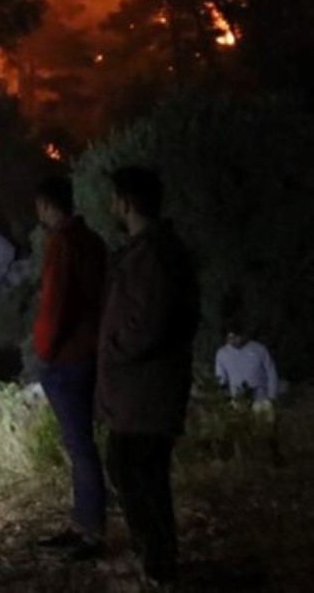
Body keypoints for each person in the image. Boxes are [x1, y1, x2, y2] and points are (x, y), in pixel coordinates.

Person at [97, 165, 201, 589]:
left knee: (139, 474)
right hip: (139, 392)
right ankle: (154, 560)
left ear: (125, 202)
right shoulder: (148, 250)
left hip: (147, 392)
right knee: (132, 470)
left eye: (113, 198)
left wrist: (113, 349)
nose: (110, 205)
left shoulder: (155, 254)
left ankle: (159, 567)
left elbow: (151, 321)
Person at [30, 175, 109, 560]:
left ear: (46, 205)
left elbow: (56, 302)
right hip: (91, 352)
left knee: (80, 445)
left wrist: (44, 348)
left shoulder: (62, 243)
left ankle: (90, 531)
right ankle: (82, 523)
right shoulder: (92, 240)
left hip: (67, 358)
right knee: (82, 444)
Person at [215, 326, 280, 403]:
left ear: (242, 335)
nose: (233, 341)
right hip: (237, 400)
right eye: (230, 338)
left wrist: (271, 396)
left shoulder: (259, 349)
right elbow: (220, 378)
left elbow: (271, 373)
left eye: (235, 337)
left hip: (260, 399)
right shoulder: (222, 353)